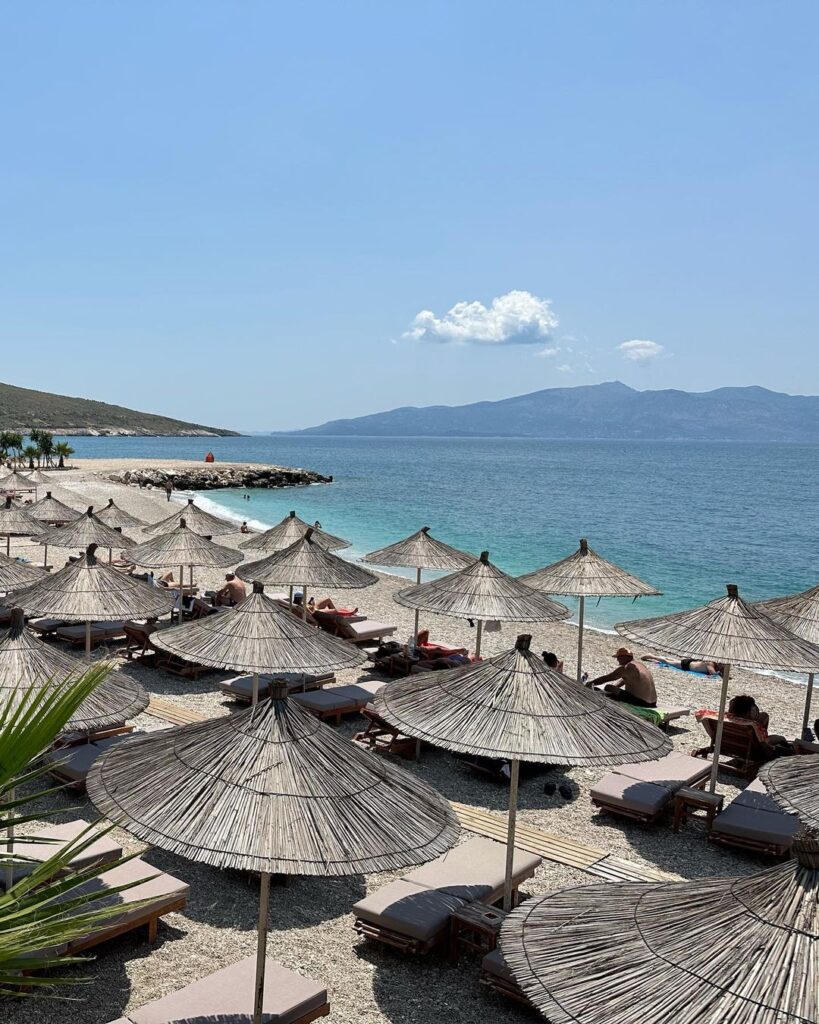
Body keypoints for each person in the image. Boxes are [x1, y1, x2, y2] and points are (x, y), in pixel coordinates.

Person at [586, 647, 657, 708]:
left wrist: (591, 683)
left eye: (618, 657)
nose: (617, 660)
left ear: (624, 657)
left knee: (608, 687)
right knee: (613, 688)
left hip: (640, 702)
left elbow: (606, 678)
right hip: (653, 702)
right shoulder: (640, 665)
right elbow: (623, 680)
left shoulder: (626, 667)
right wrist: (615, 688)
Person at [642, 654, 724, 675]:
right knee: (667, 662)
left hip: (690, 662)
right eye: (721, 664)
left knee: (672, 660)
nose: (721, 665)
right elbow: (712, 673)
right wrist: (720, 672)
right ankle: (652, 656)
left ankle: (657, 656)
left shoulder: (713, 663)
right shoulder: (710, 664)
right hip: (687, 665)